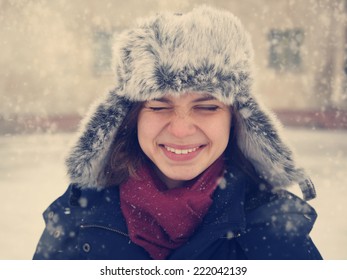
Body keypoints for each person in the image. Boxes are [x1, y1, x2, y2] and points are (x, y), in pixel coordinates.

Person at [33, 6, 322, 260]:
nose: (181, 128)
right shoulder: (78, 218)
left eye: (207, 107)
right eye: (159, 107)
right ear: (130, 118)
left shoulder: (274, 226)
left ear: (236, 120)